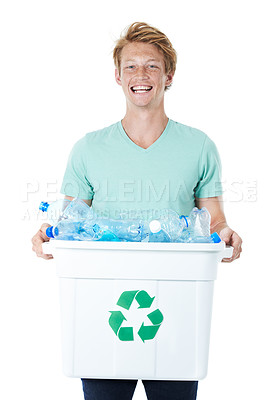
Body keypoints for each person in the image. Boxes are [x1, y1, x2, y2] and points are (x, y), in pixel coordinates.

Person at [32, 22, 242, 400]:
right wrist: (49, 230)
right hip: (102, 312)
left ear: (169, 76)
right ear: (117, 76)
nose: (140, 75)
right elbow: (72, 223)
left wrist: (225, 234)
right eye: (130, 66)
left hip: (177, 311)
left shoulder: (199, 147)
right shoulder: (88, 149)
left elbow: (214, 221)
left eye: (152, 66)